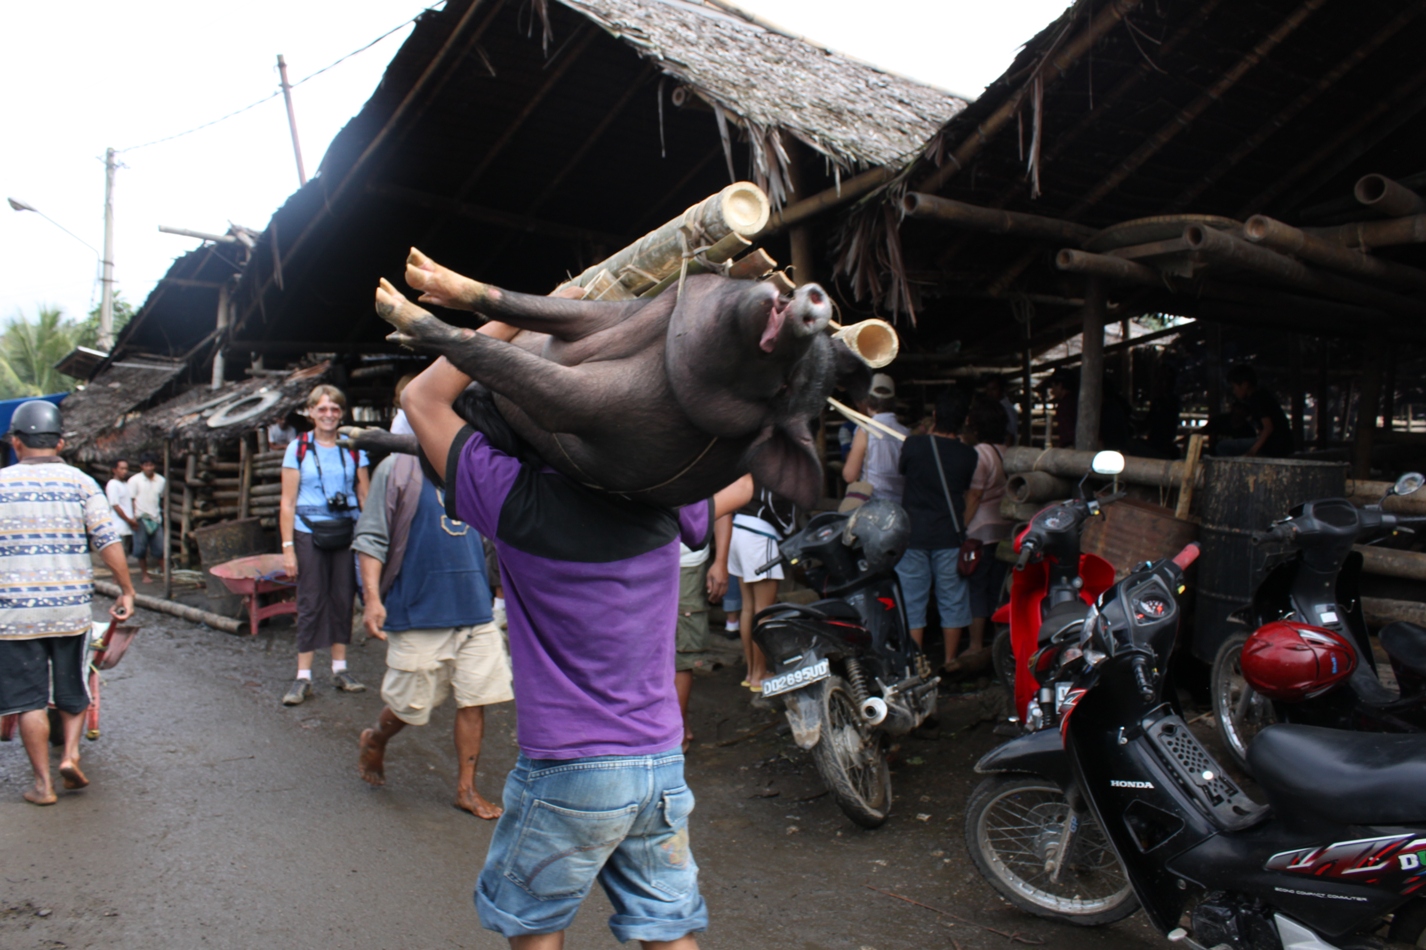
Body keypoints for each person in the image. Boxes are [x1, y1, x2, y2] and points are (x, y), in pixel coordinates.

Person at [401, 355, 752, 949]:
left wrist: (500, 312)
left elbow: (420, 399)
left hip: (572, 769)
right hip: (659, 762)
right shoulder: (660, 498)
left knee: (534, 924)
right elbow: (741, 481)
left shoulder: (510, 498)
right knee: (668, 927)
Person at [352, 451, 514, 818]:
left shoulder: (474, 466)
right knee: (409, 705)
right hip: (417, 608)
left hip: (474, 607)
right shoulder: (398, 468)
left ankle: (466, 789)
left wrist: (502, 591)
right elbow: (371, 535)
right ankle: (376, 737)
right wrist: (373, 599)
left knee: (476, 697)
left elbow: (493, 535)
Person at [0, 400, 135, 805]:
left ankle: (43, 786)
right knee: (73, 686)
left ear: (16, 442)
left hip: (15, 613)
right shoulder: (81, 483)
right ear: (60, 442)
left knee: (29, 700)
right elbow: (107, 541)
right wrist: (126, 589)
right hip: (69, 608)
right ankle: (71, 755)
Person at [278, 384, 371, 706]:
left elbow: (364, 496)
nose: (328, 415)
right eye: (322, 409)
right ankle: (303, 676)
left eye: (334, 409)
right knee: (310, 599)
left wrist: (369, 540)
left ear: (342, 413)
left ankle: (340, 668)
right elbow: (287, 502)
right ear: (311, 412)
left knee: (342, 598)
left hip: (345, 531)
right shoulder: (298, 448)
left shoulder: (353, 448)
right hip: (308, 531)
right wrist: (288, 547)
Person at [896, 390, 979, 674]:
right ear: (965, 421)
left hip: (914, 534)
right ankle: (949, 661)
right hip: (949, 535)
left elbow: (903, 471)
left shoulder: (913, 445)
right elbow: (966, 489)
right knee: (952, 599)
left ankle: (917, 667)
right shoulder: (969, 455)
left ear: (934, 416)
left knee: (912, 600)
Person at [726, 483, 797, 691]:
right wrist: (788, 527)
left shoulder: (751, 458)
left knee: (748, 607)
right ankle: (759, 674)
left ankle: (751, 672)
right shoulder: (776, 464)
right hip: (759, 534)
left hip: (737, 529)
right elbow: (778, 503)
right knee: (764, 611)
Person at [675, 514, 731, 751]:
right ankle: (676, 726)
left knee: (683, 651)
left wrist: (721, 561)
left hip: (686, 561)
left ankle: (676, 730)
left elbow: (722, 506)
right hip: (644, 558)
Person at [963, 397, 1011, 666]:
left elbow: (974, 495)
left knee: (977, 589)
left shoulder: (981, 453)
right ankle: (998, 642)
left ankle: (975, 645)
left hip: (981, 530)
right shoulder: (1006, 450)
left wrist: (962, 526)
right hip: (1004, 528)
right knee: (997, 590)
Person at [842, 373, 909, 501]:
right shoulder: (905, 433)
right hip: (899, 506)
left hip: (872, 505)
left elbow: (849, 475)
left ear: (868, 400)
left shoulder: (865, 431)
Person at [1217, 365, 1294, 458]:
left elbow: (1268, 427)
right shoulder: (1261, 395)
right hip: (1280, 443)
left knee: (1222, 447)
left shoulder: (1257, 399)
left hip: (1275, 444)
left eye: (1234, 387)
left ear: (1245, 385)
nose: (1234, 391)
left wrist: (1252, 451)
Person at [126, 452, 166, 585]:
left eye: (151, 465)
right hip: (141, 517)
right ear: (141, 466)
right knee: (141, 548)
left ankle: (165, 573)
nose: (149, 468)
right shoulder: (134, 481)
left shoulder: (161, 481)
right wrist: (132, 518)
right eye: (146, 465)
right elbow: (131, 500)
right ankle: (144, 574)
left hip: (155, 517)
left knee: (160, 548)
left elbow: (161, 499)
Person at [105, 458, 138, 550]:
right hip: (118, 527)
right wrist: (129, 521)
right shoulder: (112, 484)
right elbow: (115, 506)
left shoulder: (125, 484)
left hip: (126, 527)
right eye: (122, 469)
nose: (125, 471)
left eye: (126, 469)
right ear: (114, 470)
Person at [983, 375, 1018, 446]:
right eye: (988, 389)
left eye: (993, 389)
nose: (990, 393)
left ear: (1002, 389)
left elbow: (1010, 435)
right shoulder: (991, 406)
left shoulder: (1007, 409)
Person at [1047, 371, 1079, 448]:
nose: (1052, 390)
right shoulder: (1075, 400)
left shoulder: (1065, 405)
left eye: (1053, 386)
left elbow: (1068, 434)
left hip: (1072, 446)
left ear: (1060, 386)